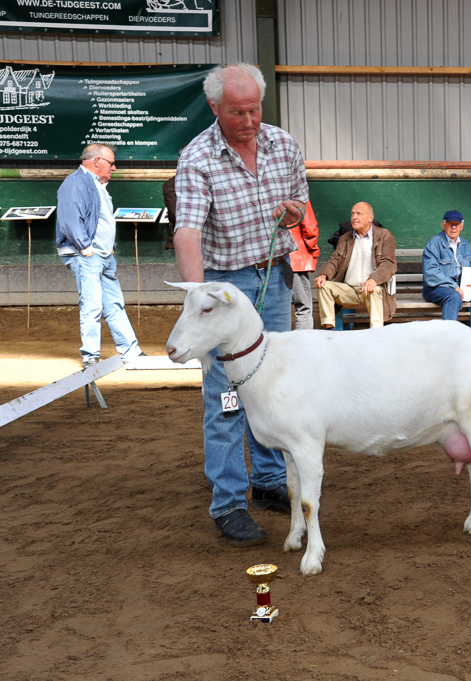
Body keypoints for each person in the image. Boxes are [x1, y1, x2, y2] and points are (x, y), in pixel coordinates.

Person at [173, 63, 309, 548]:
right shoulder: (197, 158)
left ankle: (269, 481)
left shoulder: (284, 144)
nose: (249, 120)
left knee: (270, 385)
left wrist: (293, 212)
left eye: (254, 109)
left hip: (272, 278)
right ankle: (228, 501)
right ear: (214, 108)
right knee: (224, 395)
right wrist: (199, 296)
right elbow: (187, 229)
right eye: (237, 112)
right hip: (224, 284)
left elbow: (299, 202)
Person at [55, 143, 145, 368]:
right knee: (92, 304)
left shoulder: (98, 185)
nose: (114, 168)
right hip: (87, 255)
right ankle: (90, 356)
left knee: (114, 304)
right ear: (96, 161)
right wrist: (86, 248)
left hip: (103, 255)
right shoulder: (75, 182)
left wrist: (105, 248)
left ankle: (131, 351)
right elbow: (69, 219)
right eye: (111, 163)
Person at [314, 201, 396, 329]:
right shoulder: (345, 238)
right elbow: (334, 260)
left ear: (370, 218)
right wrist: (323, 275)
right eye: (352, 214)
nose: (354, 217)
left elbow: (388, 264)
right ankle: (330, 329)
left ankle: (377, 332)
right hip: (348, 290)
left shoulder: (384, 235)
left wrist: (373, 279)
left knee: (374, 289)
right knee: (324, 286)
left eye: (359, 214)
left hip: (369, 290)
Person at [422, 209, 471, 338]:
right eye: (450, 224)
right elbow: (431, 273)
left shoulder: (465, 244)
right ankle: (448, 337)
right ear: (443, 224)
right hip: (436, 288)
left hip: (462, 287)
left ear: (462, 226)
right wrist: (453, 286)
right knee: (454, 296)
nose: (453, 227)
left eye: (456, 224)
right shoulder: (434, 243)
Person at [289, 200, 320, 329]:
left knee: (275, 307)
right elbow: (310, 227)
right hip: (297, 258)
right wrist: (313, 251)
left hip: (267, 260)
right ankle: (304, 345)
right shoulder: (298, 194)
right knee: (303, 307)